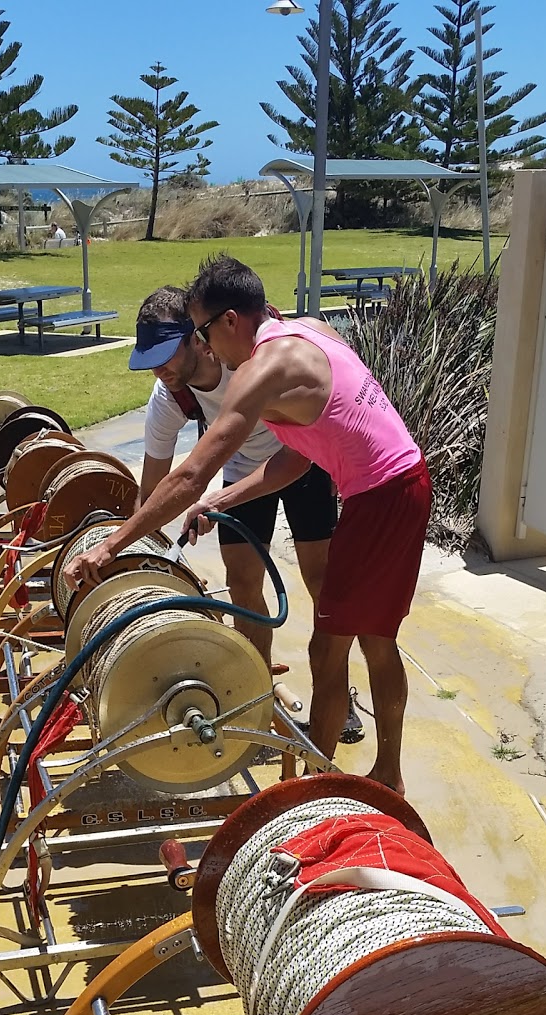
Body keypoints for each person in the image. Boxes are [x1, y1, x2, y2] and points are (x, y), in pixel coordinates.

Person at [63, 254, 431, 795]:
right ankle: (383, 775)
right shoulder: (306, 332)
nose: (204, 344)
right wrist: (224, 499)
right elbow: (295, 460)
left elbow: (190, 474)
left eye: (202, 330)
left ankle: (317, 787)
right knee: (373, 640)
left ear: (230, 320)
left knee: (328, 649)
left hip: (381, 498)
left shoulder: (261, 369)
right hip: (393, 488)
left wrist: (111, 545)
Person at [131, 283, 338, 670]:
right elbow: (153, 490)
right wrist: (133, 558)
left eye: (164, 357)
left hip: (301, 458)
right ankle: (256, 688)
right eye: (149, 361)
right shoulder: (170, 397)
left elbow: (192, 476)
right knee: (242, 585)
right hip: (244, 473)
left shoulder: (246, 356)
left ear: (195, 337)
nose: (158, 371)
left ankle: (334, 691)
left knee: (323, 582)